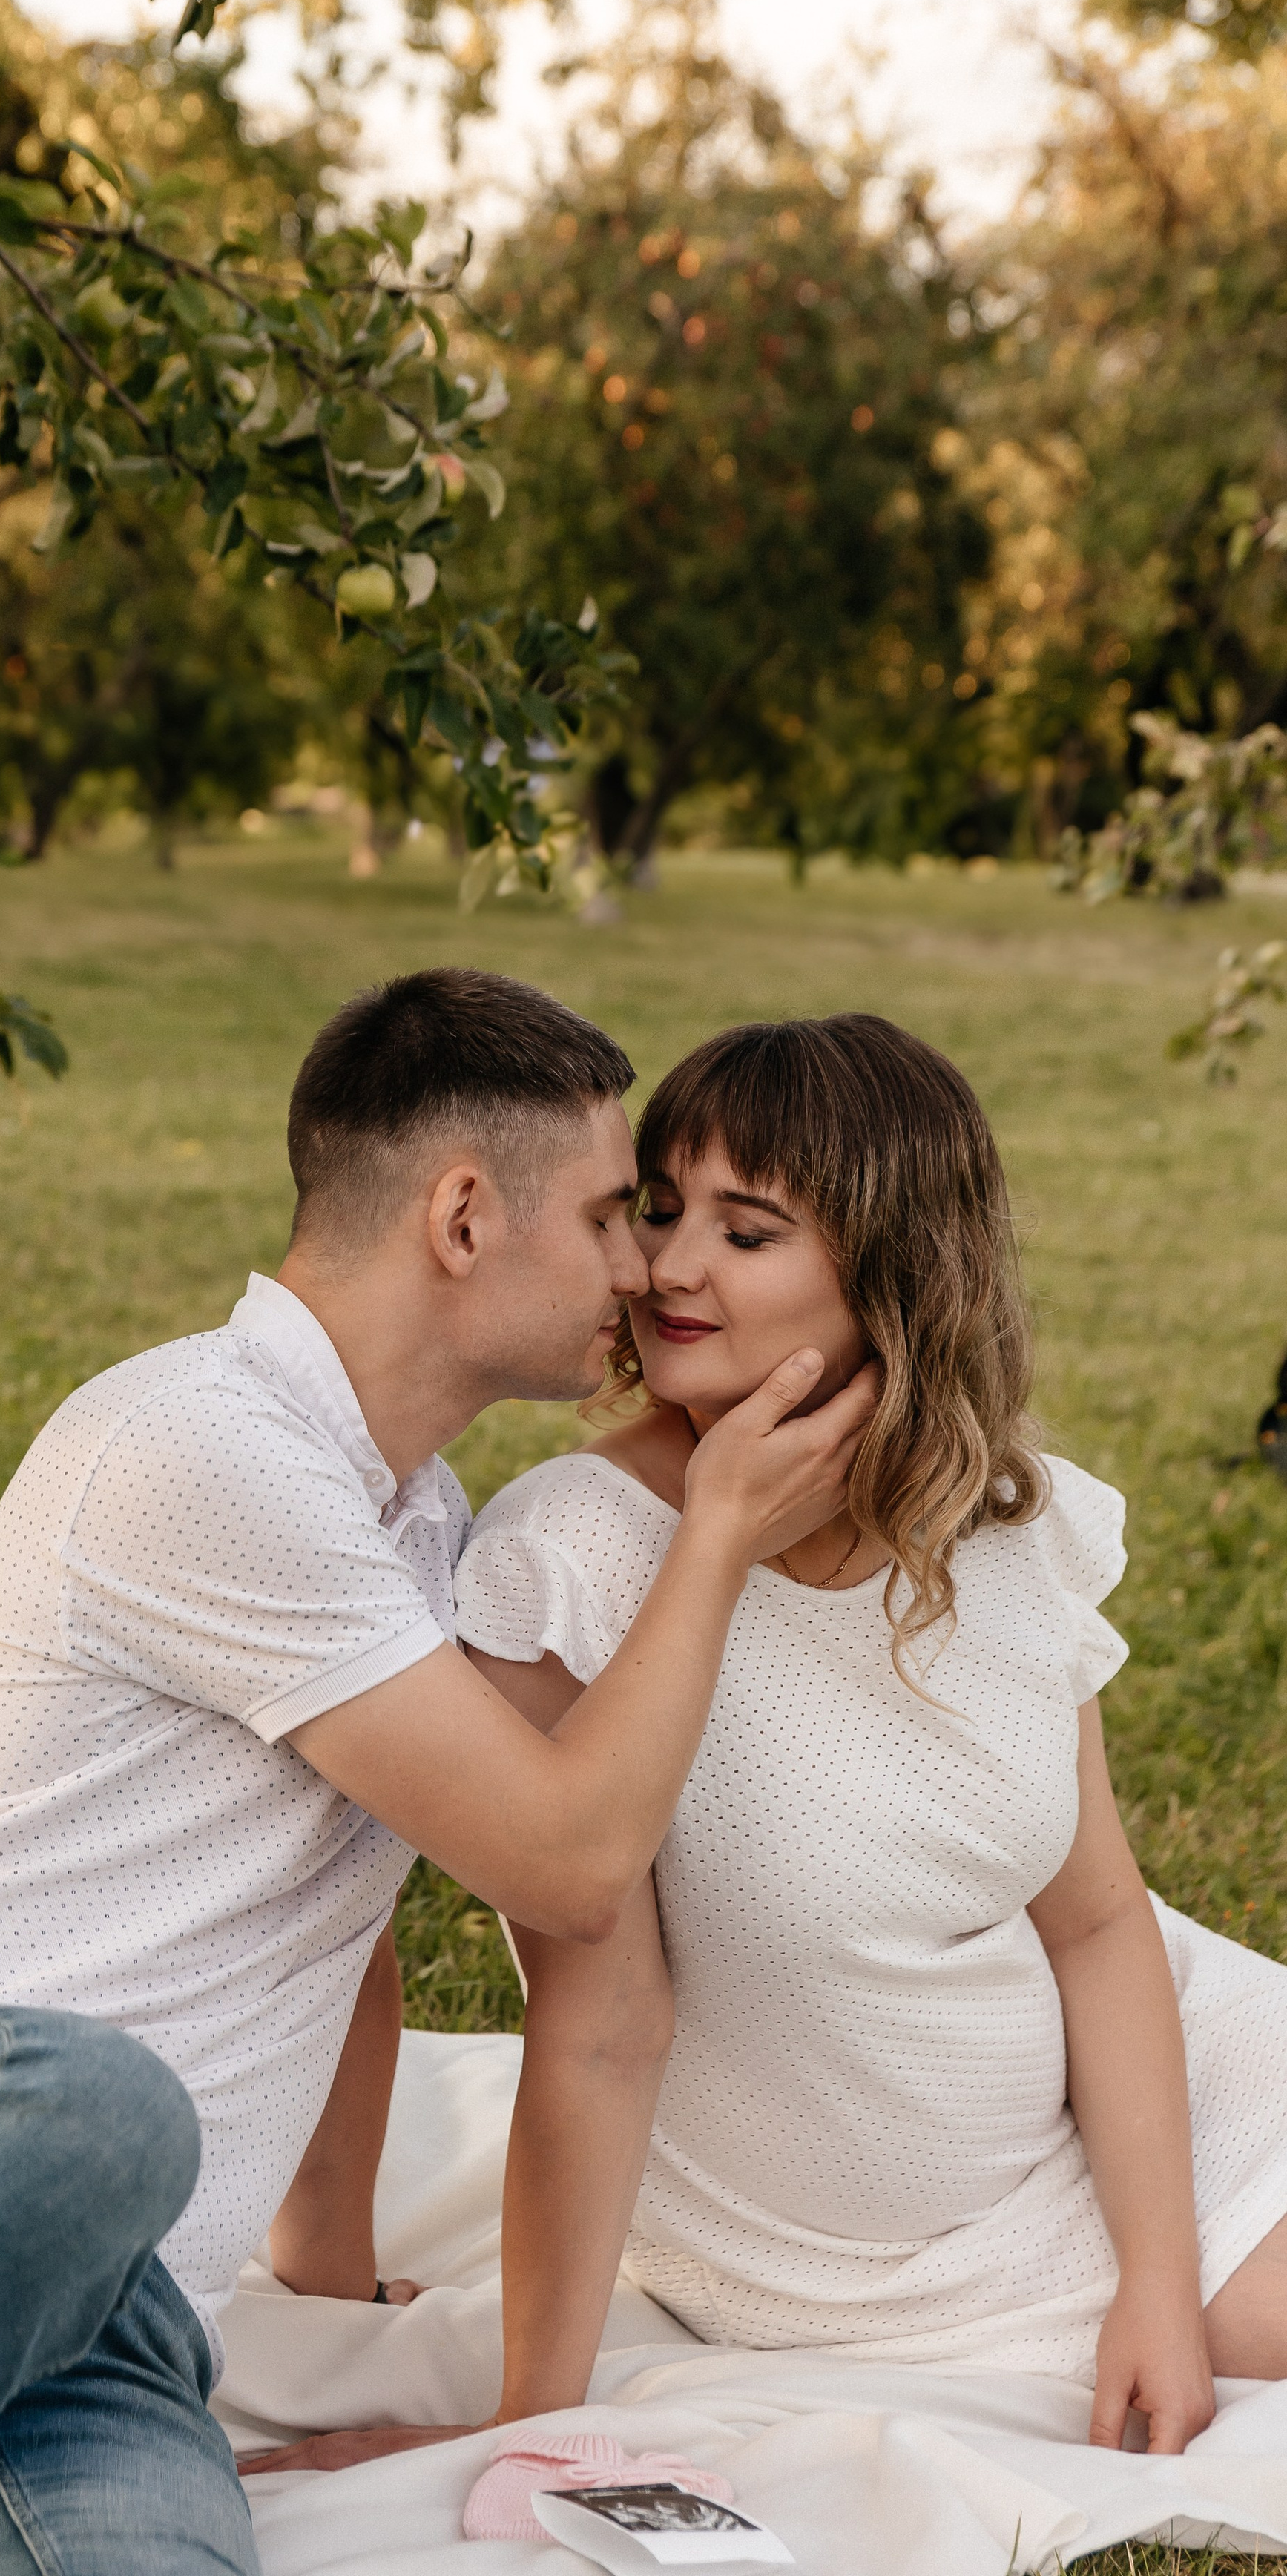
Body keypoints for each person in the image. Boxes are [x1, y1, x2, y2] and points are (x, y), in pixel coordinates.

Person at [0, 968, 874, 2576]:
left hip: (102, 2318)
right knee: (98, 2101)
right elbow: (565, 1866)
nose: (641, 1268)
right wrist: (714, 1532)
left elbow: (315, 1918)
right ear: (460, 1217)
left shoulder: (413, 1527)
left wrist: (329, 2264)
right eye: (607, 1215)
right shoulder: (197, 1445)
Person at [450, 1011, 1287, 2460]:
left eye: (747, 1229)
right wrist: (524, 2425)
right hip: (851, 2254)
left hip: (1145, 2100)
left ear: (892, 1268)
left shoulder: (1004, 1523)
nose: (666, 1268)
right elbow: (598, 2034)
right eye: (657, 1211)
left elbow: (1095, 1926)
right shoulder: (565, 1563)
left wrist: (1155, 2283)